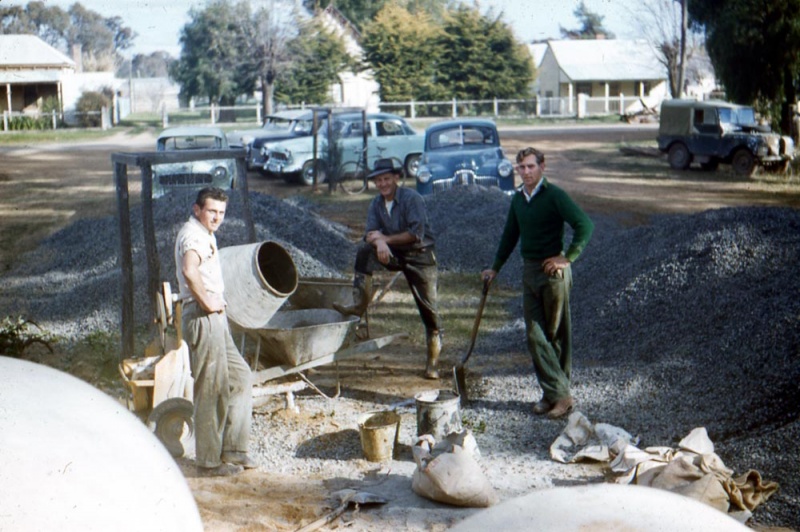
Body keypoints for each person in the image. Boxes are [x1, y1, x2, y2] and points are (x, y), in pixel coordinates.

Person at [481, 147, 594, 419]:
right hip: (529, 270)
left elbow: (584, 225)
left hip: (553, 271)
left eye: (531, 166)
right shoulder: (519, 200)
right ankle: (558, 393)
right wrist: (495, 267)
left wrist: (567, 257)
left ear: (542, 166)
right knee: (535, 334)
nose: (526, 172)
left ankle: (556, 395)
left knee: (556, 334)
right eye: (521, 168)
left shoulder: (555, 196)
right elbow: (509, 236)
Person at [334, 158, 443, 379]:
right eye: (378, 180)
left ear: (396, 178)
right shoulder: (376, 203)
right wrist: (380, 242)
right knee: (365, 250)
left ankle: (432, 362)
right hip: (393, 254)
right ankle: (358, 303)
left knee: (429, 312)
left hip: (419, 255)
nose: (383, 184)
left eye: (386, 179)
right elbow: (369, 234)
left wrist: (384, 238)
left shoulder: (413, 199)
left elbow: (415, 233)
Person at [174, 187, 256, 476]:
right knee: (211, 389)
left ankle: (234, 449)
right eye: (212, 211)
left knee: (240, 376)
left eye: (221, 213)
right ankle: (208, 463)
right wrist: (208, 301)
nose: (217, 218)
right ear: (197, 209)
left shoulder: (205, 233)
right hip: (202, 315)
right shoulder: (193, 234)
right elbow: (189, 269)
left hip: (215, 317)